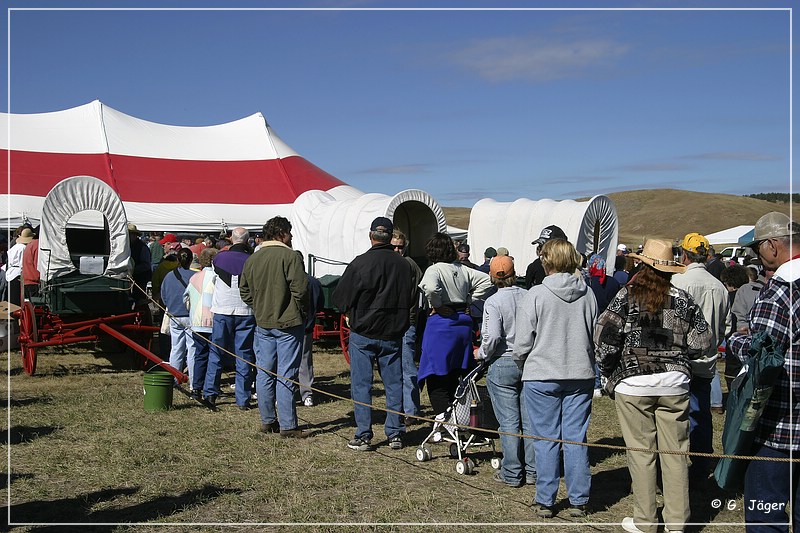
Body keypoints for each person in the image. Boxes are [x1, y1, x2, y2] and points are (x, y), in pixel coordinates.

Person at [594, 239, 712, 533]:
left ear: (641, 265)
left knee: (641, 454)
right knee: (675, 455)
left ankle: (645, 521)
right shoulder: (683, 300)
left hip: (633, 385)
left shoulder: (625, 297)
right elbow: (702, 342)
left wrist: (609, 372)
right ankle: (676, 522)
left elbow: (604, 338)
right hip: (674, 383)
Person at [513, 238, 597, 519]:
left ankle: (546, 499)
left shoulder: (536, 295)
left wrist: (522, 362)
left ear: (546, 261)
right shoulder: (588, 294)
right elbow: (593, 334)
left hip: (542, 374)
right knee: (575, 438)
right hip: (579, 372)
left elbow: (522, 341)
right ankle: (578, 499)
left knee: (545, 438)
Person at [728, 212, 799, 532]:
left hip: (781, 428)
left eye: (757, 249)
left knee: (766, 515)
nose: (757, 256)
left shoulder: (782, 290)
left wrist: (738, 339)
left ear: (772, 246)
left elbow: (763, 358)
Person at [332, 216, 413, 451]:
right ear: (390, 238)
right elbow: (411, 298)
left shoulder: (360, 263)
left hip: (364, 332)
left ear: (371, 236)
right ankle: (395, 433)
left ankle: (364, 434)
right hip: (392, 333)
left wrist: (351, 311)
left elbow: (340, 298)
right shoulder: (403, 265)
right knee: (393, 383)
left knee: (361, 384)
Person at [240, 217, 309, 437]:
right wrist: (301, 311)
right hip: (288, 324)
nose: (291, 237)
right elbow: (301, 290)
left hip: (263, 323)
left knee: (264, 372)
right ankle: (288, 426)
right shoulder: (289, 256)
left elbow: (244, 291)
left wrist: (259, 307)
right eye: (289, 233)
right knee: (286, 375)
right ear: (281, 233)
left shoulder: (253, 259)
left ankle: (268, 420)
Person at [670, 232, 729, 486]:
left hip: (680, 360)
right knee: (701, 414)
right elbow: (725, 327)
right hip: (706, 360)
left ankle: (676, 465)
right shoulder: (720, 287)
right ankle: (702, 463)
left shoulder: (679, 281)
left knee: (675, 416)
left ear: (684, 254)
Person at [475, 255, 536, 488]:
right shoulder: (528, 295)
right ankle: (532, 471)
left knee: (509, 421)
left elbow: (491, 337)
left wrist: (481, 354)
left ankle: (512, 471)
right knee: (529, 420)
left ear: (492, 276)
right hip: (527, 359)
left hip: (502, 360)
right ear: (514, 273)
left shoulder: (493, 302)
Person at [418, 232, 492, 418]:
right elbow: (486, 280)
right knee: (455, 373)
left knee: (437, 376)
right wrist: (468, 300)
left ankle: (445, 421)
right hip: (462, 324)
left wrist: (438, 305)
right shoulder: (463, 269)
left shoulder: (434, 270)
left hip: (442, 325)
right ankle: (456, 417)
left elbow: (431, 288)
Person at [204, 227, 256, 410]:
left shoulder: (219, 258)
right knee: (244, 355)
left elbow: (214, 279)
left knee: (216, 352)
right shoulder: (252, 261)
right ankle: (243, 399)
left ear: (231, 239)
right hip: (246, 311)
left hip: (222, 310)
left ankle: (210, 394)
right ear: (248, 241)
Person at [391, 229, 424, 424]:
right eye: (393, 246)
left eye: (400, 247)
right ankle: (399, 407)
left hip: (406, 321)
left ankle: (411, 410)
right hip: (390, 322)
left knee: (408, 366)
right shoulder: (392, 263)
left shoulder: (410, 265)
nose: (397, 250)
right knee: (393, 367)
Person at [184, 247, 219, 402]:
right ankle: (211, 390)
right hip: (213, 322)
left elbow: (185, 298)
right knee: (215, 357)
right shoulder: (218, 278)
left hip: (197, 322)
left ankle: (196, 387)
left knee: (200, 355)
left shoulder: (195, 277)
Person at [585, 252, 622, 397]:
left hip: (592, 320)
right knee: (607, 351)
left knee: (593, 351)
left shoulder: (587, 282)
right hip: (610, 321)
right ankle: (606, 379)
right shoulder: (613, 282)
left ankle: (595, 384)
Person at [160, 247, 196, 384]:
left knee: (176, 348)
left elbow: (164, 296)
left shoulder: (169, 276)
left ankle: (174, 378)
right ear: (191, 260)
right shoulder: (195, 276)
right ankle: (194, 381)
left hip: (174, 315)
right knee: (192, 349)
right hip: (190, 316)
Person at [297, 251, 324, 407]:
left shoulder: (290, 280)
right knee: (305, 361)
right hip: (307, 326)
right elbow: (320, 304)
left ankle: (284, 394)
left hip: (292, 327)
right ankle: (307, 394)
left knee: (285, 361)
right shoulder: (314, 282)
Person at [524, 225, 567, 289]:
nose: (541, 252)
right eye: (540, 247)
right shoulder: (534, 266)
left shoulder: (572, 272)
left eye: (545, 248)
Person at [5, 227, 33, 306]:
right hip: (19, 273)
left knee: (12, 297)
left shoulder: (14, 247)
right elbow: (24, 262)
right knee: (18, 297)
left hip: (12, 272)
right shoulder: (24, 248)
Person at [21, 227, 40, 299]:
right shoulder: (36, 245)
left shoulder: (28, 246)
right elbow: (37, 264)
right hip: (34, 282)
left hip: (26, 281)